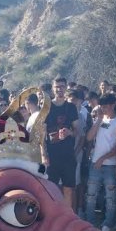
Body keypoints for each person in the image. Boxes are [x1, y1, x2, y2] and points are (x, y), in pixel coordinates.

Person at [85, 94, 116, 231]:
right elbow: (89, 137)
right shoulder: (100, 119)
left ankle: (108, 224)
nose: (104, 109)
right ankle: (90, 222)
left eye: (106, 107)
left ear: (112, 105)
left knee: (110, 197)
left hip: (110, 165)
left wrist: (103, 158)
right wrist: (99, 120)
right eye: (102, 107)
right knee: (90, 195)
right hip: (95, 163)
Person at [45, 77, 81, 209]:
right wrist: (44, 154)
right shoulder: (47, 107)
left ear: (66, 88)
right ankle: (51, 217)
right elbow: (42, 133)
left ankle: (68, 218)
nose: (59, 89)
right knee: (50, 189)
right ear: (53, 89)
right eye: (57, 87)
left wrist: (69, 133)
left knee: (68, 189)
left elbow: (77, 130)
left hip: (67, 155)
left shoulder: (71, 107)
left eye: (62, 86)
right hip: (52, 154)